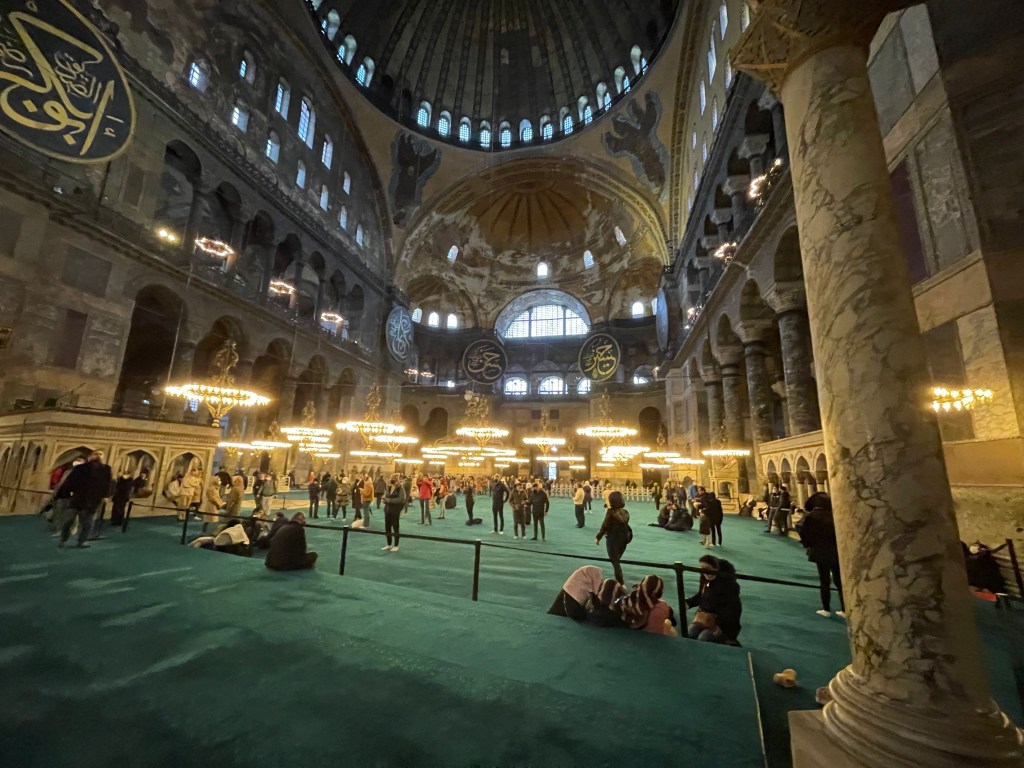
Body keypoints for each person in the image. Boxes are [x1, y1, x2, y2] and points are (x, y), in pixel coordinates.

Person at [799, 492, 846, 618]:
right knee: (839, 581)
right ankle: (844, 609)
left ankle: (826, 609)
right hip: (836, 550)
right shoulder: (835, 514)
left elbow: (804, 532)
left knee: (824, 581)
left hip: (820, 551)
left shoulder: (812, 517)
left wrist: (808, 545)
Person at [54, 450, 113, 548]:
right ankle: (63, 540)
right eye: (95, 454)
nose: (98, 456)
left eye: (100, 454)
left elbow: (108, 483)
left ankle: (82, 541)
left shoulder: (106, 469)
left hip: (92, 499)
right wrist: (68, 492)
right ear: (90, 456)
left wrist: (105, 495)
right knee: (68, 521)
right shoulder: (80, 468)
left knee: (87, 523)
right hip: (78, 498)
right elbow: (71, 481)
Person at [685, 555, 742, 644]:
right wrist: (688, 603)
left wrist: (720, 626)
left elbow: (733, 610)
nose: (705, 572)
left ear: (716, 568)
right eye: (702, 568)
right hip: (705, 619)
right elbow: (701, 596)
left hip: (722, 623)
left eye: (708, 568)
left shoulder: (729, 586)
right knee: (690, 632)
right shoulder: (705, 580)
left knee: (703, 638)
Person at [595, 490, 632, 583]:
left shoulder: (610, 512)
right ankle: (619, 579)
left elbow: (605, 526)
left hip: (613, 539)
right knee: (616, 560)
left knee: (615, 562)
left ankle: (620, 582)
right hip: (624, 539)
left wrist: (598, 537)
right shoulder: (626, 512)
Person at [382, 473, 406, 552]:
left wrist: (389, 500)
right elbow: (386, 496)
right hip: (387, 510)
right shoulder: (389, 487)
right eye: (391, 478)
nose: (391, 480)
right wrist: (384, 499)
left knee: (395, 527)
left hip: (395, 510)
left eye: (393, 478)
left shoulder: (400, 488)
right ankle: (389, 544)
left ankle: (396, 545)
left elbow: (401, 499)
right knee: (387, 527)